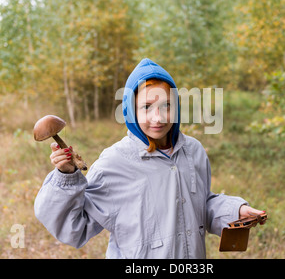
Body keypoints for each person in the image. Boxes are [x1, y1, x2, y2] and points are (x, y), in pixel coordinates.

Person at [34, 58, 265, 258]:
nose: (158, 117)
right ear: (131, 110)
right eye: (146, 107)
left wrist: (235, 211)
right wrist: (66, 176)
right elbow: (75, 227)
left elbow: (200, 205)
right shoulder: (114, 163)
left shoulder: (193, 151)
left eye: (166, 105)